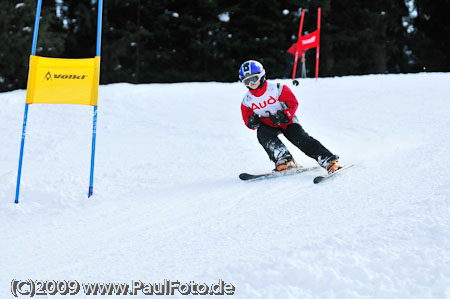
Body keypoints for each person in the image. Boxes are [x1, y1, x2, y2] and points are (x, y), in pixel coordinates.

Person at [239, 60, 340, 173]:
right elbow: (246, 116)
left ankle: (328, 160)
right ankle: (284, 159)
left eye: (254, 79)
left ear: (262, 76)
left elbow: (292, 103)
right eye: (246, 81)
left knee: (300, 139)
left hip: (288, 122)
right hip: (268, 124)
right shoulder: (247, 100)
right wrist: (252, 122)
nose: (251, 84)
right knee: (262, 134)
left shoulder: (276, 89)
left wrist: (285, 115)